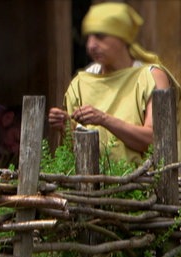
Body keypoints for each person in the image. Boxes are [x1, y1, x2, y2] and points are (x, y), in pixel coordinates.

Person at [48, 2, 181, 166]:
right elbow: (73, 151)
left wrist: (104, 119)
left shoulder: (151, 76)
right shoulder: (80, 83)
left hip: (144, 180)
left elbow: (158, 140)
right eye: (88, 37)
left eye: (100, 36)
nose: (91, 45)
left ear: (122, 38)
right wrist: (65, 127)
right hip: (92, 181)